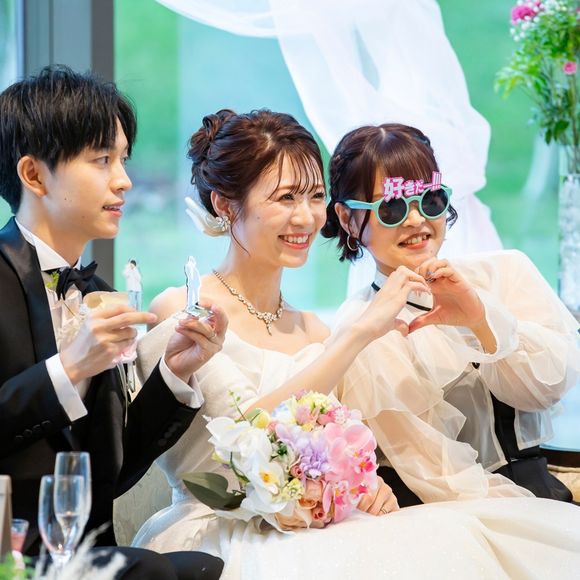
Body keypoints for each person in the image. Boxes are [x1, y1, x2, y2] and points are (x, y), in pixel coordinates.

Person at [132, 109, 580, 579]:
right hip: (219, 529)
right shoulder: (187, 307)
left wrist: (357, 484)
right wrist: (361, 333)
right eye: (286, 197)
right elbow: (237, 449)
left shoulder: (314, 329)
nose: (306, 216)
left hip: (312, 527)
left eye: (315, 196)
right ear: (225, 205)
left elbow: (334, 449)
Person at [0, 65, 225, 579]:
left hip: (84, 553)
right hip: (11, 553)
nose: (123, 180)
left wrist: (173, 372)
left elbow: (111, 475)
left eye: (123, 159)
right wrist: (69, 369)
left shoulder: (97, 296)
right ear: (34, 175)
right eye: (102, 160)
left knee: (211, 568)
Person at [322, 122, 580, 507]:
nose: (416, 220)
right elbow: (435, 473)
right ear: (347, 219)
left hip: (539, 490)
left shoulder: (506, 272)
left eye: (431, 200)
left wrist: (481, 319)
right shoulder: (362, 328)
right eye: (392, 207)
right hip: (452, 510)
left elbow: (546, 389)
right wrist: (528, 511)